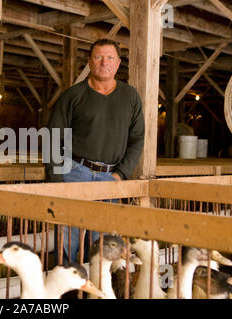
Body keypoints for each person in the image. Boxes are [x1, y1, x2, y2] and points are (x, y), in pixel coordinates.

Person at [46, 39, 145, 263]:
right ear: (90, 62)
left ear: (118, 64)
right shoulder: (73, 96)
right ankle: (68, 291)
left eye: (110, 58)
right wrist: (56, 179)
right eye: (98, 57)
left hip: (110, 177)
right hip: (74, 173)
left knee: (103, 241)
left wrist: (121, 174)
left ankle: (97, 291)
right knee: (69, 238)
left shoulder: (130, 97)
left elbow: (137, 139)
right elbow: (53, 137)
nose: (104, 62)